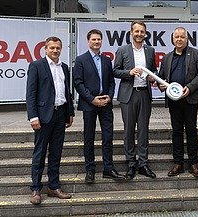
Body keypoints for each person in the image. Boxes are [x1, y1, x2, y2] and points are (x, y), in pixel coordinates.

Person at [26, 36, 74, 205]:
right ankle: (36, 188)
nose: (55, 51)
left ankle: (54, 186)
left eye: (58, 48)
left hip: (60, 114)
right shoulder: (36, 66)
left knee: (56, 153)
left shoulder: (64, 67)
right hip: (43, 116)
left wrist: (70, 113)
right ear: (45, 49)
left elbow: (66, 92)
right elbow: (31, 93)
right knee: (39, 153)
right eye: (52, 48)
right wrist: (33, 116)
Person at [73, 29, 124, 184]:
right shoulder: (81, 60)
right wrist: (92, 99)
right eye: (93, 39)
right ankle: (90, 170)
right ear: (88, 41)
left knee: (108, 137)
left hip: (106, 104)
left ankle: (108, 168)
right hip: (90, 104)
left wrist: (109, 95)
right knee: (89, 138)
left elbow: (111, 82)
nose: (96, 42)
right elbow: (78, 83)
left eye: (98, 39)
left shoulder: (107, 60)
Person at [158, 27, 198, 178]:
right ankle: (178, 163)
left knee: (191, 130)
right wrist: (161, 85)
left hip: (190, 99)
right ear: (173, 39)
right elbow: (161, 77)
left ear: (187, 39)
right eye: (176, 37)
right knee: (177, 131)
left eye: (182, 37)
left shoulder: (196, 54)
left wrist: (190, 88)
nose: (179, 39)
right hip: (174, 101)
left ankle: (193, 163)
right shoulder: (167, 57)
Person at [113, 21, 157, 179]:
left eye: (142, 31)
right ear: (131, 33)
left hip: (144, 94)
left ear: (145, 34)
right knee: (129, 130)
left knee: (144, 130)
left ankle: (143, 163)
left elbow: (154, 70)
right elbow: (115, 71)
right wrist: (129, 72)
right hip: (128, 95)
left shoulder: (150, 50)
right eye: (136, 31)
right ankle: (131, 163)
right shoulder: (123, 50)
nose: (139, 34)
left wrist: (153, 77)